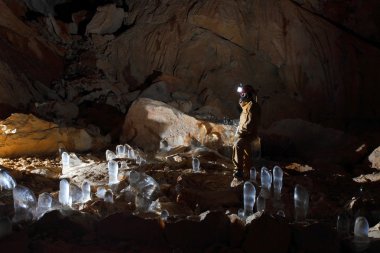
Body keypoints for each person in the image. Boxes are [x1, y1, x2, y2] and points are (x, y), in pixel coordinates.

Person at [231, 84, 261, 187]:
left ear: (248, 95)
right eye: (240, 94)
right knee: (245, 152)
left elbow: (249, 125)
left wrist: (239, 134)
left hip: (249, 135)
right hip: (245, 134)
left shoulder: (252, 106)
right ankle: (246, 170)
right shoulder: (246, 105)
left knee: (238, 145)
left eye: (243, 94)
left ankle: (239, 172)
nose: (241, 96)